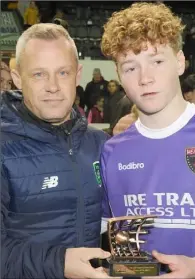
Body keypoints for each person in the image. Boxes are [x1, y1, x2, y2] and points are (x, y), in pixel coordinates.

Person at [100, 3, 195, 279]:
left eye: (157, 61)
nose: (145, 78)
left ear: (180, 62)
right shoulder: (112, 152)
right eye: (130, 68)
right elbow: (110, 234)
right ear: (118, 75)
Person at [1, 23, 111, 279]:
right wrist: (59, 262)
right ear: (17, 78)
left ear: (77, 74)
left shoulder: (101, 144)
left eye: (63, 72)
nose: (53, 86)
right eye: (39, 74)